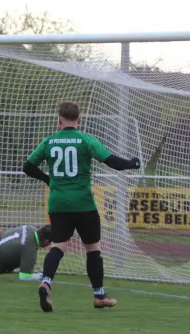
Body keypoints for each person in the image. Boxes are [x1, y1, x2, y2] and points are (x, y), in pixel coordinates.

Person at [23, 101, 141, 312]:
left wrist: (48, 179)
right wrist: (132, 163)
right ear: (80, 119)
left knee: (58, 246)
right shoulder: (86, 140)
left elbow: (27, 166)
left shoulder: (49, 142)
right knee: (93, 248)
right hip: (83, 203)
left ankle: (46, 282)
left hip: (58, 204)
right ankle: (99, 295)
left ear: (59, 120)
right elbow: (111, 161)